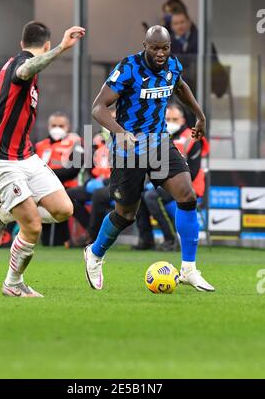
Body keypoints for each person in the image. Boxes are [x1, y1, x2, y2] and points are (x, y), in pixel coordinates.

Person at [84, 24, 215, 292]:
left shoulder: (173, 66)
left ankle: (189, 269)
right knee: (126, 215)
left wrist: (199, 116)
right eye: (154, 48)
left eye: (165, 48)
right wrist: (120, 133)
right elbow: (98, 108)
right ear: (145, 46)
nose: (160, 53)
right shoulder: (128, 68)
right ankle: (95, 253)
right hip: (128, 149)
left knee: (187, 195)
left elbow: (180, 87)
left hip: (158, 143)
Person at [0, 21, 85, 297]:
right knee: (32, 227)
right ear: (45, 45)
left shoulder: (12, 65)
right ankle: (13, 284)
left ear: (22, 42)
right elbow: (26, 70)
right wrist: (62, 48)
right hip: (1, 160)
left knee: (63, 209)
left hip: (24, 155)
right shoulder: (22, 64)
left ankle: (3, 213)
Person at [137, 102, 209, 250]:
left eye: (175, 120)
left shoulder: (192, 137)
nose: (171, 123)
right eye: (167, 119)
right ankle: (146, 240)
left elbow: (193, 172)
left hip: (190, 186)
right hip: (166, 183)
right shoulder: (161, 137)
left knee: (152, 196)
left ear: (182, 120)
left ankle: (171, 240)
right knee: (139, 192)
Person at [35, 111, 84, 247]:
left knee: (63, 200)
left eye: (61, 125)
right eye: (54, 125)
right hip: (43, 188)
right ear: (48, 126)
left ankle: (71, 240)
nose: (57, 128)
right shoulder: (40, 145)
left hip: (69, 187)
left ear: (67, 127)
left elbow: (74, 169)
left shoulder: (75, 142)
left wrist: (46, 177)